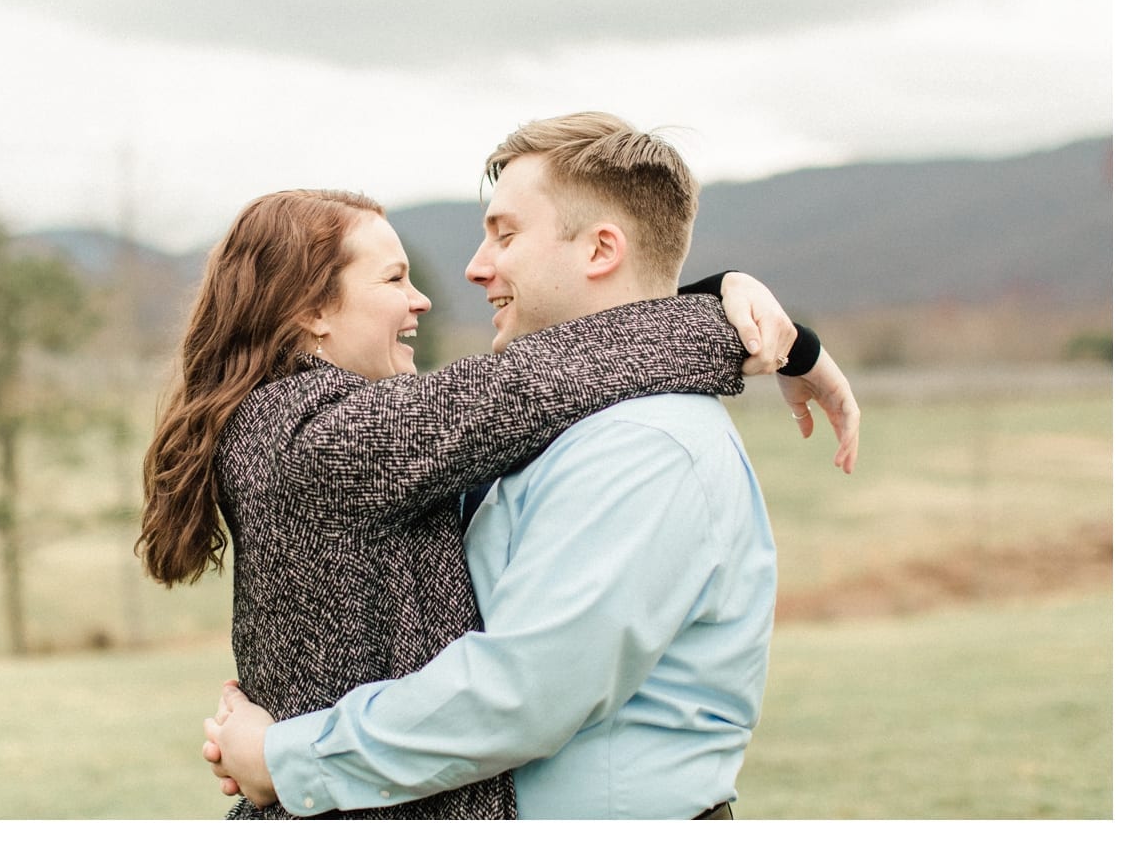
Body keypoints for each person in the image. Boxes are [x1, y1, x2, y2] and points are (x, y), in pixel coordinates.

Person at [201, 112, 860, 819]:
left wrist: (287, 756)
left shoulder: (644, 443)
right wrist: (738, 318)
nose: (473, 268)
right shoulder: (533, 419)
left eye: (505, 234)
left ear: (602, 248)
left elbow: (518, 694)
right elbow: (531, 384)